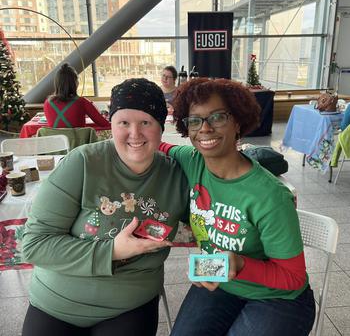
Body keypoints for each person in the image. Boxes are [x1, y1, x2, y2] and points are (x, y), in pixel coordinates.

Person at [21, 78, 189, 336]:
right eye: (124, 123)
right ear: (111, 125)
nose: (134, 134)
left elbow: (211, 225)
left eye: (145, 122)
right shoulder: (83, 162)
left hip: (127, 305)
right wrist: (111, 251)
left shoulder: (177, 176)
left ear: (160, 125)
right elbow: (35, 245)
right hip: (56, 304)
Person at [159, 78, 315, 336]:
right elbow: (160, 146)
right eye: (195, 120)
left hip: (278, 298)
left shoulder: (269, 197)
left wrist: (241, 264)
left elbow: (293, 277)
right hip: (223, 284)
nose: (205, 129)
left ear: (238, 123)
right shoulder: (193, 160)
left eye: (218, 117)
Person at [43, 63, 110, 128]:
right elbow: (104, 124)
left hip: (56, 139)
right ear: (75, 83)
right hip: (80, 139)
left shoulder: (47, 103)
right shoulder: (82, 102)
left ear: (57, 83)